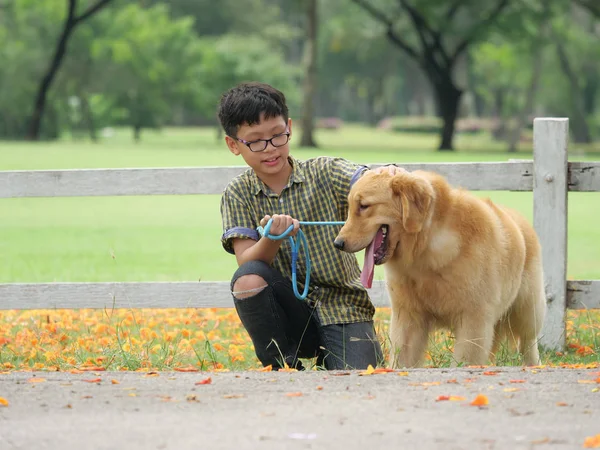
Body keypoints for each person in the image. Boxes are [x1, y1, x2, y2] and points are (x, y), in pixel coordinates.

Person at [218, 81, 400, 371]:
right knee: (248, 279)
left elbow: (364, 181)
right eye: (255, 141)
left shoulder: (325, 171)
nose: (270, 149)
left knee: (360, 380)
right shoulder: (238, 193)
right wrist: (272, 238)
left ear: (289, 127)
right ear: (233, 145)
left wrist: (387, 174)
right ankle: (283, 366)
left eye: (278, 135)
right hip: (287, 312)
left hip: (342, 306)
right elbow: (245, 261)